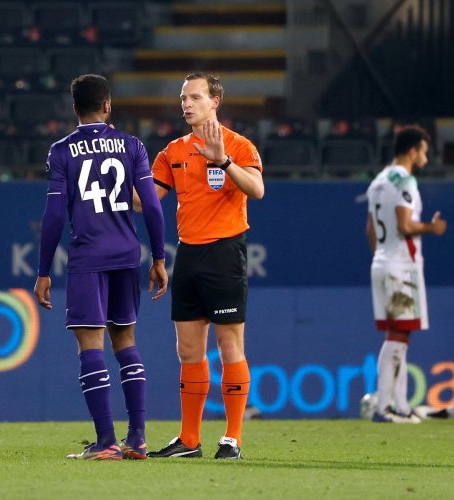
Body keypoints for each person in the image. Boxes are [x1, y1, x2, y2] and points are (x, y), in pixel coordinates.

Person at [33, 74, 168, 460]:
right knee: (126, 340)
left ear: (74, 108)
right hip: (127, 255)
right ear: (108, 106)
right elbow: (153, 207)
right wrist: (158, 258)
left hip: (88, 257)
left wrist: (43, 270)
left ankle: (106, 441)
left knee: (90, 344)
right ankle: (138, 439)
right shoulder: (133, 146)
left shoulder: (62, 151)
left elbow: (54, 215)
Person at [142, 73, 264, 459]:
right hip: (189, 255)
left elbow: (257, 190)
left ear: (215, 102)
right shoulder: (172, 151)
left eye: (195, 97)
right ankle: (190, 441)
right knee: (189, 350)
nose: (186, 104)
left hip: (226, 252)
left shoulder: (239, 146)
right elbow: (146, 199)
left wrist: (223, 161)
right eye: (183, 97)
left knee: (230, 346)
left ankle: (232, 438)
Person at [366, 125, 446, 423]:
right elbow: (405, 225)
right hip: (400, 266)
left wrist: (382, 256)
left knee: (398, 334)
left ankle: (400, 406)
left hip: (382, 262)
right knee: (398, 336)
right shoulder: (405, 181)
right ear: (413, 150)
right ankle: (383, 407)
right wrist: (432, 228)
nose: (426, 157)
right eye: (424, 151)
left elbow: (371, 229)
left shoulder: (378, 181)